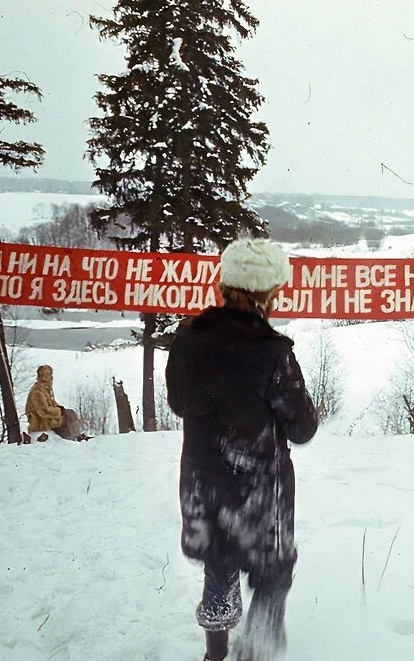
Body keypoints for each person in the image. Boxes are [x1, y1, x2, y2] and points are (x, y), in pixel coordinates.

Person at [166, 238, 318, 661]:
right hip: (259, 493)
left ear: (225, 285)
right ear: (267, 293)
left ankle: (215, 655)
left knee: (219, 566)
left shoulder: (186, 342)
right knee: (273, 574)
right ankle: (257, 654)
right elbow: (302, 428)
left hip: (202, 485)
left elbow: (179, 403)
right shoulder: (273, 354)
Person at [24, 365, 86, 442]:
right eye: (50, 375)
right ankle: (73, 437)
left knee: (69, 413)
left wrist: (60, 408)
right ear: (45, 376)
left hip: (44, 419)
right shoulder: (37, 392)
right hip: (40, 422)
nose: (52, 378)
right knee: (66, 417)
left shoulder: (44, 389)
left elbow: (52, 403)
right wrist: (59, 411)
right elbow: (44, 412)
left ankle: (75, 436)